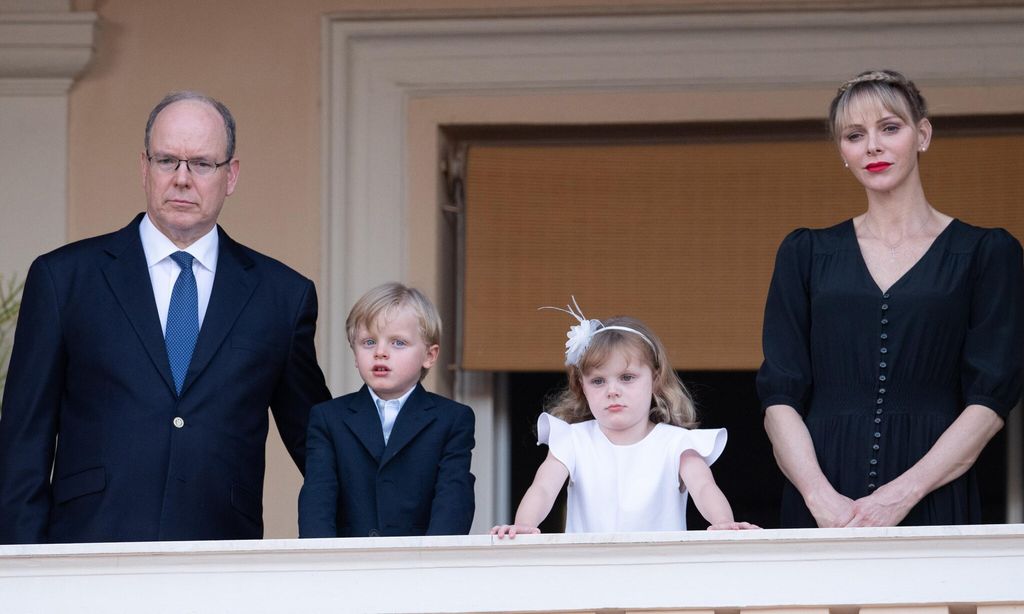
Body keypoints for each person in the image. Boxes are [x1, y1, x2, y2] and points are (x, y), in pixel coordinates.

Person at [0, 91, 331, 543]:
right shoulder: (64, 279)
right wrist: (21, 574)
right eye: (166, 161)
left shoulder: (281, 296)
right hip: (87, 557)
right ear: (144, 168)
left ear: (230, 175)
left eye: (201, 163)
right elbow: (22, 444)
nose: (182, 179)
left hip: (218, 559)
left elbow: (319, 447)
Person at [758, 69, 1024, 528]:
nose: (872, 147)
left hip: (933, 492)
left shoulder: (987, 253)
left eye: (889, 128)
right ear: (842, 152)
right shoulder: (804, 253)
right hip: (821, 500)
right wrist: (820, 499)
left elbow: (990, 399)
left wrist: (903, 494)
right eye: (854, 135)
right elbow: (780, 394)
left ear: (922, 134)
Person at [491, 300, 757, 537]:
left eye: (627, 377)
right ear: (581, 386)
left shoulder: (676, 443)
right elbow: (543, 489)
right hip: (590, 574)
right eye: (598, 381)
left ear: (654, 379)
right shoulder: (572, 440)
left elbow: (703, 487)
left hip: (661, 575)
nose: (612, 391)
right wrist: (524, 524)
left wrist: (724, 523)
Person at [298, 282, 475, 537]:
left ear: (429, 355)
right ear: (354, 352)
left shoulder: (452, 419)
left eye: (398, 343)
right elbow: (317, 499)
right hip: (347, 567)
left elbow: (453, 500)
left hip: (420, 567)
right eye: (368, 342)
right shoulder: (328, 419)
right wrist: (323, 566)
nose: (381, 352)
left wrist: (434, 564)